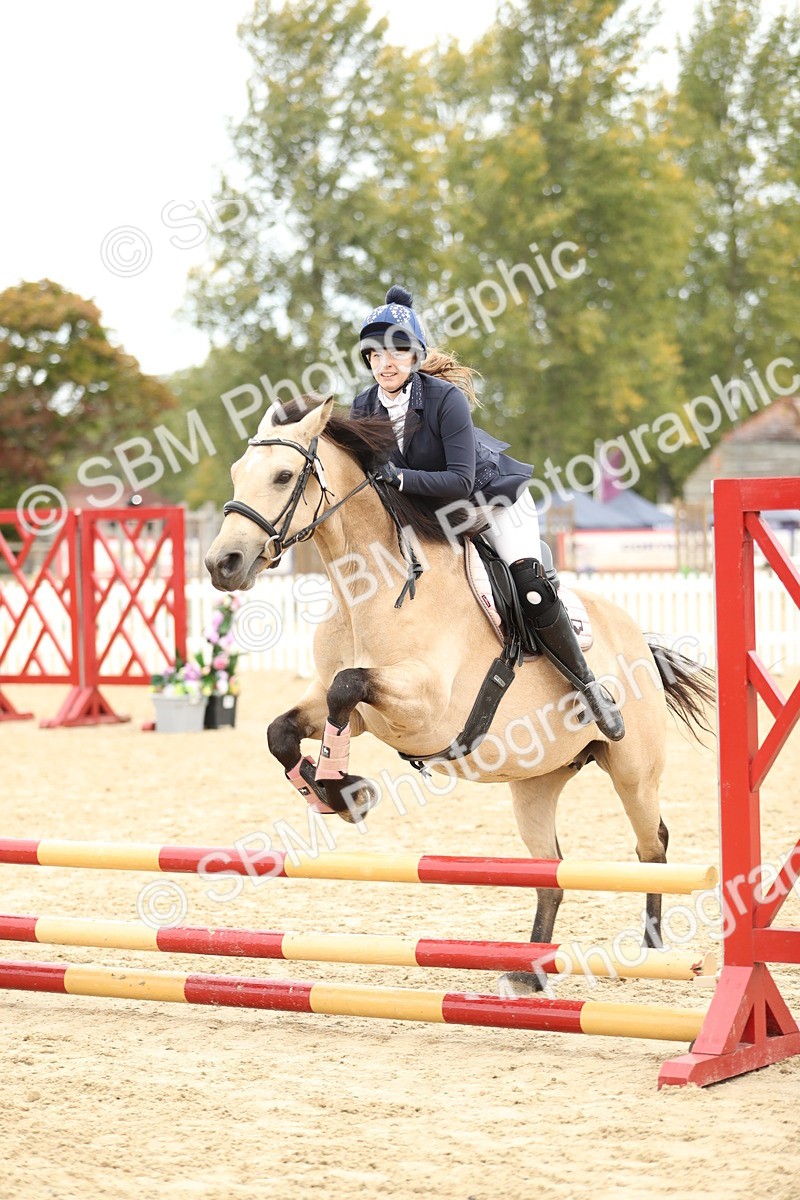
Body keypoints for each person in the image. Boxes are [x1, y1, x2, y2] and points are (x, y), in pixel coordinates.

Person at [350, 284, 625, 741]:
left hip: (492, 501)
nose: (386, 361)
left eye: (397, 350)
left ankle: (587, 687)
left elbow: (459, 479)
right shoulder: (364, 406)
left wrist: (399, 480)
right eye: (376, 354)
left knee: (528, 583)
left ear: (415, 356)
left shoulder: (443, 400)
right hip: (431, 514)